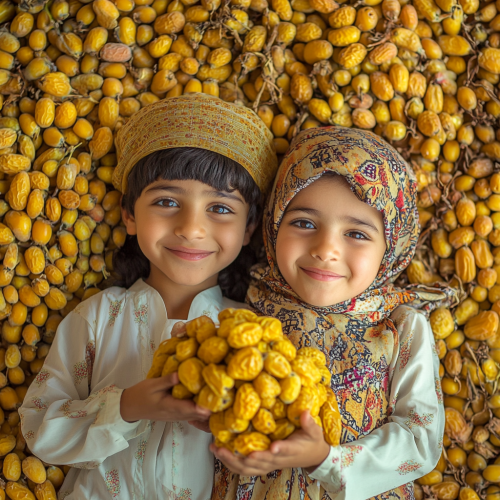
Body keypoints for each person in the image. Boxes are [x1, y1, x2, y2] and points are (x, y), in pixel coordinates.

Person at [19, 93, 278, 500]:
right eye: (167, 201)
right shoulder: (98, 317)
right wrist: (125, 408)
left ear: (249, 229)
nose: (192, 228)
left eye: (221, 209)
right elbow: (39, 429)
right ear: (128, 215)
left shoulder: (254, 333)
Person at [211, 127, 457, 500]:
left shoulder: (402, 327)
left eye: (357, 234)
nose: (326, 249)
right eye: (304, 223)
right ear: (273, 226)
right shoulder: (244, 315)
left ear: (390, 249)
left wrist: (326, 459)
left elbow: (420, 441)